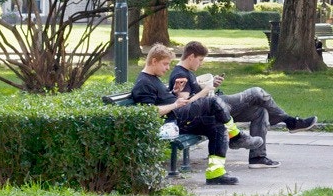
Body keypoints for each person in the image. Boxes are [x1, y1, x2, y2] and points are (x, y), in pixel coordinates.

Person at [171, 41, 318, 169]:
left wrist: (210, 85)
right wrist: (205, 91)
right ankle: (290, 121)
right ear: (191, 57)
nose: (201, 63)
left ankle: (258, 158)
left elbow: (193, 94)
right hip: (212, 110)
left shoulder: (187, 72)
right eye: (200, 60)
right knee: (257, 92)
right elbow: (185, 105)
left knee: (260, 111)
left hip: (216, 107)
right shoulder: (180, 74)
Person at [131, 43, 237, 185]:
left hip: (179, 119)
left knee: (216, 126)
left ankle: (215, 173)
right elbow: (149, 112)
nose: (168, 68)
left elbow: (161, 99)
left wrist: (174, 92)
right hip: (174, 120)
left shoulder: (153, 78)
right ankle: (236, 135)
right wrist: (175, 104)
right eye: (165, 64)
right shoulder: (143, 83)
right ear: (154, 61)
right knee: (212, 102)